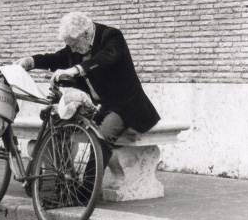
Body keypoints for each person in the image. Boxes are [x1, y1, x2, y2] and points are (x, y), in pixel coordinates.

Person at [16, 11, 160, 169]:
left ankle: (87, 190)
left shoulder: (111, 36)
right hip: (96, 105)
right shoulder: (78, 46)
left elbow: (107, 57)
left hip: (123, 105)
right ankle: (62, 181)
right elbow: (56, 58)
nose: (72, 48)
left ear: (85, 35)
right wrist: (31, 61)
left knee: (101, 138)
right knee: (57, 124)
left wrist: (75, 70)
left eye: (73, 44)